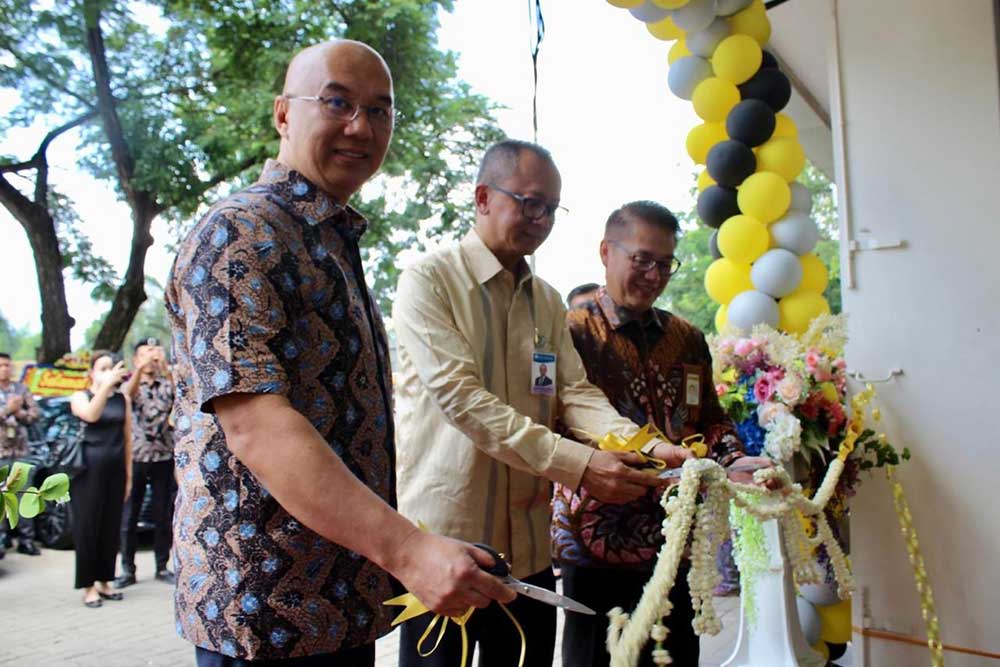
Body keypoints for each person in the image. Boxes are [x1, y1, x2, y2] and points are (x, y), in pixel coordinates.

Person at [166, 40, 513, 667]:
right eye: (337, 102)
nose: (361, 126)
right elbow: (256, 426)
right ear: (282, 114)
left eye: (380, 111)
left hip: (343, 602)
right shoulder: (240, 232)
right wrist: (408, 550)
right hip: (265, 612)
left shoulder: (329, 240)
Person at [393, 141, 691, 667]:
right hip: (447, 550)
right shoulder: (429, 280)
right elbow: (462, 399)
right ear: (483, 197)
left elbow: (572, 394)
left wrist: (646, 447)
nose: (542, 220)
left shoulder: (548, 301)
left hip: (527, 553)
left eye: (552, 208)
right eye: (530, 203)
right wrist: (578, 466)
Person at [551, 201, 766, 666]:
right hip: (595, 540)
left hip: (676, 535)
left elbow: (710, 417)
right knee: (598, 655)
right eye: (642, 260)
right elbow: (549, 423)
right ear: (606, 252)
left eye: (666, 263)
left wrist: (734, 460)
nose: (655, 274)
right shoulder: (571, 331)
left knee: (676, 656)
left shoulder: (686, 337)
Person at [69, 351, 132, 608]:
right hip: (87, 471)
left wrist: (128, 477)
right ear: (91, 373)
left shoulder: (122, 399)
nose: (109, 372)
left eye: (112, 368)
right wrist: (104, 387)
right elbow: (91, 415)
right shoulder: (80, 396)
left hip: (115, 469)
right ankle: (88, 586)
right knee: (88, 526)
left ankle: (106, 580)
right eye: (103, 368)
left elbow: (128, 439)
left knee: (110, 526)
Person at [115, 337, 175, 589]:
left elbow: (182, 396)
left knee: (163, 514)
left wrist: (166, 367)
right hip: (136, 457)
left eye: (153, 352)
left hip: (163, 455)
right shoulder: (132, 384)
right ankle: (128, 569)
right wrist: (139, 370)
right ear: (136, 359)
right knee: (130, 516)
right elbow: (125, 398)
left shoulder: (166, 381)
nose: (150, 357)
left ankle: (162, 566)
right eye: (145, 354)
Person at [0, 351, 41, 557]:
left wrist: (18, 412)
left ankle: (27, 540)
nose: (5, 369)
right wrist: (7, 410)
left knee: (24, 496)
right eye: (1, 365)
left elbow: (35, 414)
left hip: (21, 451)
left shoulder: (21, 389)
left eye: (7, 365)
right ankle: (2, 539)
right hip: (0, 452)